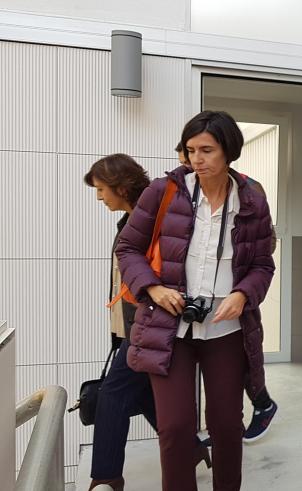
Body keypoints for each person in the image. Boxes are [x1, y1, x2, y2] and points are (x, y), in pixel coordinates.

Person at [117, 110, 275, 490]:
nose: (196, 160)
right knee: (174, 426)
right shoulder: (164, 191)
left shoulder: (252, 198)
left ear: (229, 151)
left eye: (207, 150)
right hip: (170, 327)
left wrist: (242, 293)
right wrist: (152, 288)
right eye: (190, 150)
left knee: (226, 425)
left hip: (227, 328)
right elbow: (128, 248)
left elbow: (262, 265)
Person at [85, 154, 213, 490]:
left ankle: (106, 477)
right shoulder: (129, 220)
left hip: (156, 326)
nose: (99, 196)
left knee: (113, 394)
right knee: (140, 395)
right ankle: (193, 449)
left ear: (122, 188)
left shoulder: (161, 217)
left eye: (101, 189)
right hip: (136, 326)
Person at [175, 142, 279, 444]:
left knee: (244, 361)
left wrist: (240, 283)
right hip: (195, 304)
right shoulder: (179, 192)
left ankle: (259, 407)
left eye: (200, 154)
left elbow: (265, 246)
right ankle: (224, 425)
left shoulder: (248, 191)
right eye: (187, 157)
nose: (193, 164)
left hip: (236, 294)